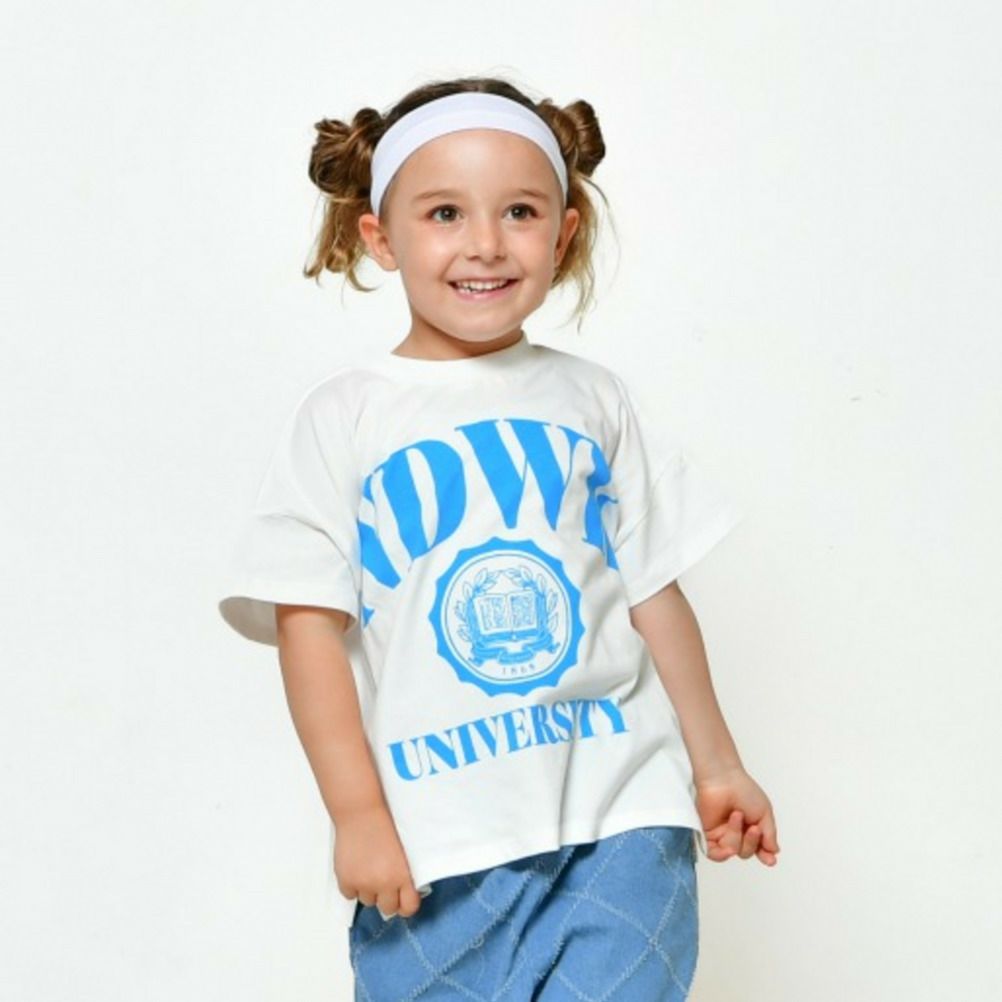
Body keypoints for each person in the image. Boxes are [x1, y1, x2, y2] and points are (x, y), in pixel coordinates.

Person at [218, 75, 780, 1001]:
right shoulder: (344, 418)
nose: (485, 243)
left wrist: (718, 766)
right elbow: (307, 626)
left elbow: (654, 590)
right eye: (445, 213)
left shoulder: (595, 399)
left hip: (621, 818)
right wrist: (357, 815)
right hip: (438, 845)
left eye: (519, 211)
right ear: (381, 238)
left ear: (562, 235)